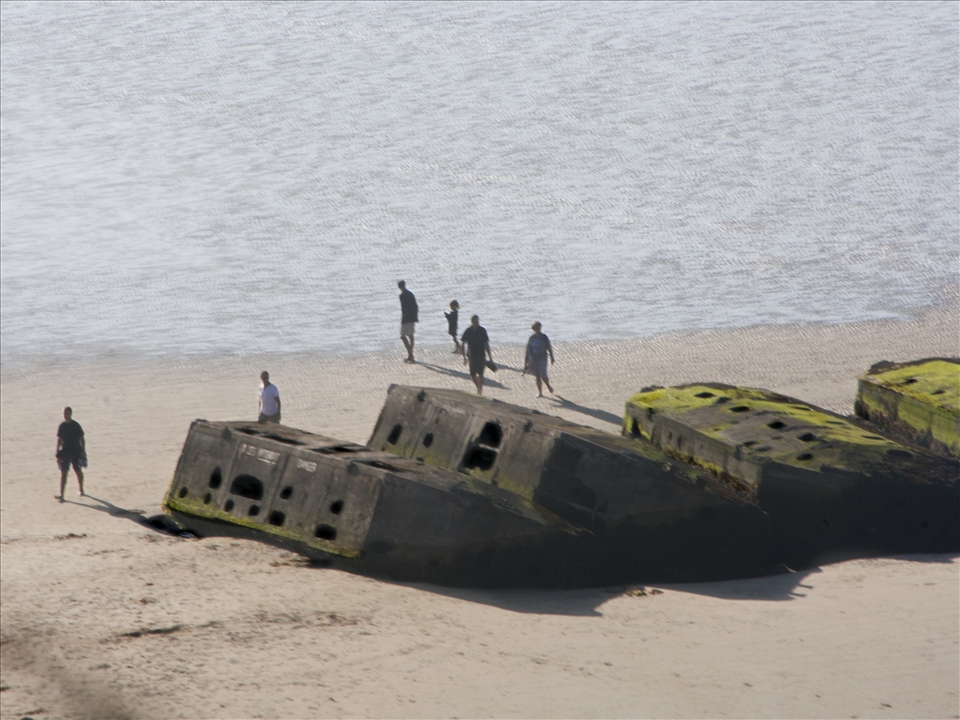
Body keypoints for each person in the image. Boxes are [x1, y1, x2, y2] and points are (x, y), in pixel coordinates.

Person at [55, 406, 85, 501]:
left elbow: (82, 439)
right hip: (65, 452)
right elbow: (59, 439)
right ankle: (62, 494)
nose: (65, 416)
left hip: (75, 451)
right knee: (64, 472)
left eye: (67, 414)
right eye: (64, 414)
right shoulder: (62, 426)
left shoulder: (76, 425)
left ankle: (81, 489)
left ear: (71, 414)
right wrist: (57, 450)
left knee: (77, 470)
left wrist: (83, 451)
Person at [461, 315, 494, 395]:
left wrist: (490, 357)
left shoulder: (482, 330)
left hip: (481, 355)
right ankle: (478, 387)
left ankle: (479, 392)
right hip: (471, 356)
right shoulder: (468, 331)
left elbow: (486, 344)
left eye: (477, 321)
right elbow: (463, 344)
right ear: (472, 322)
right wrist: (464, 357)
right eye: (475, 321)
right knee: (472, 375)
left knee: (481, 374)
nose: (477, 323)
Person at [524, 321, 555, 397]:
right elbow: (528, 349)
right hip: (533, 360)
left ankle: (548, 385)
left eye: (539, 328)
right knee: (537, 376)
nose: (538, 329)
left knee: (543, 375)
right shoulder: (531, 338)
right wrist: (526, 361)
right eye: (536, 328)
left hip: (542, 359)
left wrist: (552, 358)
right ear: (534, 329)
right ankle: (540, 393)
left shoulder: (544, 337)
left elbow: (549, 348)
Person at [398, 280, 419, 363]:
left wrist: (403, 319)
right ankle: (411, 354)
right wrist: (415, 317)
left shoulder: (402, 295)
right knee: (410, 335)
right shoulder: (410, 293)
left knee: (403, 336)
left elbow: (404, 308)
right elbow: (415, 305)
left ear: (399, 287)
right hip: (413, 316)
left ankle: (410, 354)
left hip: (406, 317)